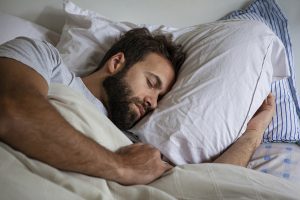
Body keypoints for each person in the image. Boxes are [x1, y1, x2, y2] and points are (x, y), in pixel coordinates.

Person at [0, 28, 275, 186]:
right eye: (151, 83)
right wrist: (120, 167)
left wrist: (253, 132)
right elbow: (13, 110)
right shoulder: (44, 60)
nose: (153, 102)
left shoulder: (134, 146)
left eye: (160, 97)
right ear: (117, 62)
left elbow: (212, 184)